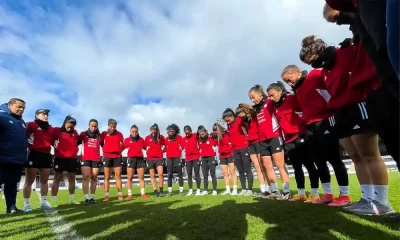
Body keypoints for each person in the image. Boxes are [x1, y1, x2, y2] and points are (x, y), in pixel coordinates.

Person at [299, 35, 394, 213]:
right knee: (355, 156)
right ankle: (367, 198)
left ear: (318, 50)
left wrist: (354, 41)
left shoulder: (345, 52)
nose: (312, 65)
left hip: (357, 106)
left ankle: (382, 202)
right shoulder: (324, 71)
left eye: (311, 59)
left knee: (369, 154)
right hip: (341, 113)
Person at [324, 0, 400, 170]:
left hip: (384, 82)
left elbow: (331, 11)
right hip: (377, 85)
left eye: (339, 19)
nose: (340, 21)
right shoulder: (359, 30)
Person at [281, 65, 350, 206]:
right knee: (319, 161)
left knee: (334, 158)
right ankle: (328, 194)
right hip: (309, 126)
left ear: (298, 72)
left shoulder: (314, 75)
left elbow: (333, 81)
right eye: (286, 82)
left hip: (325, 120)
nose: (289, 83)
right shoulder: (297, 89)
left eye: (290, 79)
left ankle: (344, 195)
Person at [266, 82, 320, 202]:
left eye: (272, 95)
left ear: (280, 90)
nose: (271, 98)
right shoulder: (275, 107)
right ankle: (301, 193)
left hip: (301, 134)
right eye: (269, 96)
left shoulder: (292, 98)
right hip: (288, 139)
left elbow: (304, 110)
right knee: (296, 167)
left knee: (309, 164)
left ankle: (315, 193)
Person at [247, 85, 291, 199]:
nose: (252, 100)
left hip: (274, 137)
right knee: (267, 166)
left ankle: (286, 191)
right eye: (250, 98)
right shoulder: (256, 109)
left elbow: (281, 98)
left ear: (260, 94)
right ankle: (275, 190)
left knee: (280, 165)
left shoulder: (269, 102)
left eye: (253, 97)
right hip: (262, 140)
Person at [235, 105, 271, 197]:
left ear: (245, 111)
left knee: (263, 166)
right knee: (257, 167)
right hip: (250, 144)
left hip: (258, 141)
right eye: (238, 115)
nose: (240, 116)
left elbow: (253, 110)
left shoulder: (254, 116)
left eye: (241, 113)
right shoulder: (244, 122)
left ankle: (269, 188)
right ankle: (263, 189)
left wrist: (245, 106)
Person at [0, 98, 27, 214]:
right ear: (10, 105)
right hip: (2, 158)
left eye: (23, 108)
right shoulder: (2, 117)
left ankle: (11, 207)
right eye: (19, 107)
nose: (21, 110)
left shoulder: (22, 122)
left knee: (12, 184)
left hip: (17, 159)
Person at [23, 109, 54, 211]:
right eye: (43, 114)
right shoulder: (31, 124)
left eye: (47, 114)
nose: (46, 116)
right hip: (34, 153)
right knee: (29, 181)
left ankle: (44, 203)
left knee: (44, 181)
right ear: (36, 115)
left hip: (46, 155)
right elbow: (24, 137)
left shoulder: (50, 128)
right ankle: (27, 205)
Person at [222, 108, 254, 196]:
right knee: (240, 171)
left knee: (247, 169)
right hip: (235, 150)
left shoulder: (240, 120)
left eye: (228, 120)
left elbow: (248, 125)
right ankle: (243, 188)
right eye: (226, 121)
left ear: (232, 116)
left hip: (244, 147)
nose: (227, 122)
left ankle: (250, 189)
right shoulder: (229, 125)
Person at [51, 116, 81, 206]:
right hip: (60, 158)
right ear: (65, 123)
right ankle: (54, 201)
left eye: (72, 126)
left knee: (72, 178)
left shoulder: (75, 133)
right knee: (57, 178)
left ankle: (71, 199)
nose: (70, 128)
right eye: (69, 125)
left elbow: (78, 141)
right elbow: (50, 138)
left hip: (72, 158)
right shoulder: (56, 130)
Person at [80, 119, 103, 204]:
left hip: (96, 159)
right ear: (89, 125)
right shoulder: (83, 134)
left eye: (95, 126)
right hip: (85, 158)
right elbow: (75, 142)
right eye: (92, 126)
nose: (93, 128)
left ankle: (92, 197)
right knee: (86, 177)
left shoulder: (100, 136)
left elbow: (105, 145)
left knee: (94, 177)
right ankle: (86, 198)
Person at [101, 119, 124, 202]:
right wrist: (106, 149)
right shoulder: (104, 134)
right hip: (107, 156)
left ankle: (120, 195)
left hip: (117, 156)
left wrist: (118, 150)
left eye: (114, 127)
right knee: (107, 177)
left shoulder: (120, 134)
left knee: (118, 176)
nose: (112, 128)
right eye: (111, 126)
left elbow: (122, 144)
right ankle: (106, 196)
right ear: (108, 126)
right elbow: (101, 143)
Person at [212, 123, 238, 195]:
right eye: (214, 130)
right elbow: (214, 143)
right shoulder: (217, 137)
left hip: (230, 154)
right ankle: (228, 189)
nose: (215, 132)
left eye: (216, 130)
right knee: (225, 173)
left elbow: (233, 137)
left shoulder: (227, 134)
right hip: (222, 156)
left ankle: (235, 189)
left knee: (232, 172)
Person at [123, 125, 148, 200]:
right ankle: (129, 195)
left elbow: (146, 148)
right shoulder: (127, 140)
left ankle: (143, 193)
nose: (134, 133)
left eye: (136, 132)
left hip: (140, 159)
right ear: (130, 132)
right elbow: (122, 147)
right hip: (131, 159)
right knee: (130, 177)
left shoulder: (141, 140)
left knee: (141, 177)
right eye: (133, 132)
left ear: (138, 132)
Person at [145, 123, 165, 197]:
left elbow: (165, 145)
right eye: (152, 130)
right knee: (152, 175)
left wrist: (162, 151)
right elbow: (145, 146)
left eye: (154, 130)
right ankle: (155, 191)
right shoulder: (147, 138)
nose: (153, 132)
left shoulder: (161, 137)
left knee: (160, 174)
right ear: (150, 130)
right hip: (150, 158)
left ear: (157, 130)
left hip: (159, 158)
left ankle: (161, 191)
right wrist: (148, 151)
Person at [181, 125, 202, 196]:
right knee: (189, 174)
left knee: (197, 174)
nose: (187, 134)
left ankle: (198, 190)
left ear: (190, 130)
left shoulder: (195, 135)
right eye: (185, 132)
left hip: (196, 157)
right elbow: (181, 148)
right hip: (188, 158)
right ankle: (190, 190)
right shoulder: (183, 139)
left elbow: (201, 134)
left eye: (188, 132)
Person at [197, 125, 218, 195]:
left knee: (213, 174)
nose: (201, 133)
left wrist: (215, 158)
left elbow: (216, 144)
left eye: (202, 131)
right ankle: (205, 190)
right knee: (205, 175)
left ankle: (214, 190)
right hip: (203, 158)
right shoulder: (199, 140)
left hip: (211, 157)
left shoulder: (210, 138)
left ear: (206, 132)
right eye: (200, 132)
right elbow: (199, 149)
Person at [165, 124, 184, 196]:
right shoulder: (166, 139)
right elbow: (164, 147)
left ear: (175, 131)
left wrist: (178, 151)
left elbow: (183, 146)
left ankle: (181, 190)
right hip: (169, 158)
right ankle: (170, 191)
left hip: (177, 158)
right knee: (169, 174)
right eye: (168, 131)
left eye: (171, 131)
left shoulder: (179, 138)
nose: (169, 132)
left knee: (180, 174)